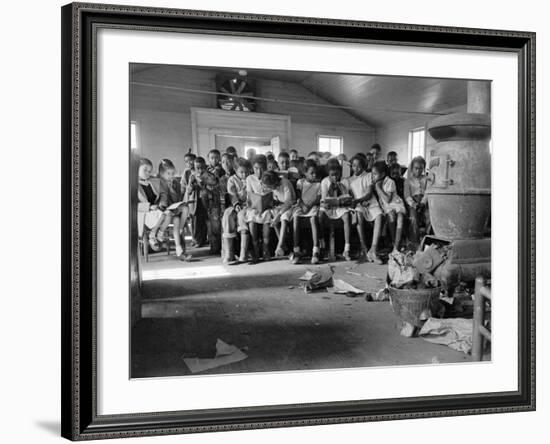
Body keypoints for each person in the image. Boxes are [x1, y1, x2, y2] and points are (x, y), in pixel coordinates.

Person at [346, 154, 383, 264]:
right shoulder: (349, 180)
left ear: (363, 166)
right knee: (359, 214)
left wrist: (358, 200)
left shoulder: (368, 176)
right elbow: (351, 196)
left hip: (371, 203)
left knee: (379, 215)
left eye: (359, 166)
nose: (356, 168)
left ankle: (373, 249)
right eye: (353, 166)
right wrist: (354, 201)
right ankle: (364, 248)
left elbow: (369, 194)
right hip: (359, 205)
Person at [284, 160, 322, 264]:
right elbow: (298, 196)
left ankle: (315, 250)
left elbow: (318, 198)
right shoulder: (300, 182)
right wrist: (303, 206)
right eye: (311, 173)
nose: (314, 175)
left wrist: (309, 206)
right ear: (305, 173)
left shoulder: (319, 184)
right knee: (296, 218)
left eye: (315, 173)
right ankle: (297, 250)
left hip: (313, 206)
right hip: (301, 205)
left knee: (313, 219)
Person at [157, 158, 191, 261]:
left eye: (173, 173)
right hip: (164, 210)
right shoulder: (158, 183)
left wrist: (175, 190)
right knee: (177, 216)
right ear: (161, 174)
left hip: (174, 208)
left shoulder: (176, 182)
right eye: (168, 173)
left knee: (182, 213)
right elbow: (160, 199)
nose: (171, 176)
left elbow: (178, 198)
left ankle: (179, 250)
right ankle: (179, 249)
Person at [187, 156, 222, 254]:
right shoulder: (192, 176)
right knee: (198, 223)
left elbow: (215, 184)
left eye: (202, 167)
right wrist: (192, 185)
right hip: (197, 203)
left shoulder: (209, 175)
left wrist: (204, 183)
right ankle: (198, 241)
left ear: (205, 166)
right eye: (197, 168)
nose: (200, 170)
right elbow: (189, 191)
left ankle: (214, 246)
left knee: (211, 225)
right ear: (194, 167)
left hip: (209, 203)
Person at [319, 162, 353, 261]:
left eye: (337, 174)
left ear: (340, 173)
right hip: (328, 207)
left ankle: (347, 248)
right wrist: (324, 204)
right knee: (320, 216)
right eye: (332, 175)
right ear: (328, 174)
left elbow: (347, 198)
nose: (334, 177)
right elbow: (323, 198)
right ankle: (322, 244)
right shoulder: (325, 181)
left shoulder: (345, 181)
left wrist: (342, 189)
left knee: (347, 216)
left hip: (340, 207)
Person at [372, 161, 407, 253]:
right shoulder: (376, 183)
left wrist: (378, 187)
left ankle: (397, 246)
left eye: (375, 174)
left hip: (396, 203)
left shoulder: (390, 182)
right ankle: (394, 243)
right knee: (391, 218)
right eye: (372, 174)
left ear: (383, 174)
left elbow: (388, 199)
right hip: (387, 208)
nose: (373, 176)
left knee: (400, 218)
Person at [262, 170, 296, 262]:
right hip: (279, 206)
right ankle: (284, 246)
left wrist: (279, 214)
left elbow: (289, 202)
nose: (270, 188)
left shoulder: (285, 183)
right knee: (272, 218)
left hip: (291, 206)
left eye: (270, 186)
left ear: (275, 182)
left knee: (283, 218)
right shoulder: (273, 188)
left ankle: (280, 245)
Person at [244, 155, 273, 262]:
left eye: (262, 168)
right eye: (256, 168)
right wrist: (254, 203)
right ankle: (255, 248)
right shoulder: (249, 179)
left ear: (266, 168)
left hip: (266, 207)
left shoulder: (269, 176)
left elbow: (272, 193)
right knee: (251, 218)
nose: (259, 172)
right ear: (252, 168)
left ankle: (265, 248)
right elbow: (249, 196)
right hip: (254, 207)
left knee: (267, 216)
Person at [221, 158, 250, 263]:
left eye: (246, 172)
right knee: (228, 215)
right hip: (235, 204)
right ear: (235, 170)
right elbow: (232, 194)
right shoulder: (232, 180)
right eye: (241, 172)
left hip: (248, 205)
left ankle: (244, 252)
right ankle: (229, 252)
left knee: (242, 216)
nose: (244, 174)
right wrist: (236, 204)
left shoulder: (251, 179)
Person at [137, 158, 164, 252]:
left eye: (149, 171)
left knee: (169, 213)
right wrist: (149, 207)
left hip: (155, 210)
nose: (148, 173)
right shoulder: (132, 185)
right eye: (145, 170)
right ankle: (153, 236)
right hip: (143, 212)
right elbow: (131, 205)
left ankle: (154, 235)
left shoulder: (152, 182)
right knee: (163, 215)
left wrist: (160, 203)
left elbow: (158, 197)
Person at [404, 156, 431, 244]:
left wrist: (423, 203)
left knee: (429, 217)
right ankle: (415, 241)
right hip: (413, 202)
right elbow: (407, 196)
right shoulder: (408, 181)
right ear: (412, 168)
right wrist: (414, 205)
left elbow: (427, 192)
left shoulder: (426, 179)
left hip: (425, 201)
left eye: (421, 168)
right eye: (416, 168)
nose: (418, 171)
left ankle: (427, 240)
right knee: (413, 218)